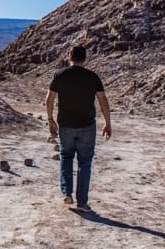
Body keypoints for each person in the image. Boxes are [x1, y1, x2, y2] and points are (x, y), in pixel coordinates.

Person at [45, 45, 111, 212]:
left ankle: (67, 192)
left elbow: (49, 99)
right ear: (85, 58)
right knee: (85, 162)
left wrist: (50, 120)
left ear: (70, 57)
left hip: (66, 125)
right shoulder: (92, 77)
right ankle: (82, 202)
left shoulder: (59, 75)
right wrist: (107, 122)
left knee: (66, 157)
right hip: (87, 125)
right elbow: (103, 101)